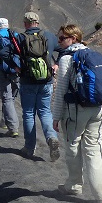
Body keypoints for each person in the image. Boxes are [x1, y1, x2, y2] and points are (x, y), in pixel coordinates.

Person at [51, 23, 102, 203]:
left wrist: (56, 116)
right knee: (95, 148)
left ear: (73, 38)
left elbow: (61, 89)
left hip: (75, 111)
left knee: (73, 146)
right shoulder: (92, 55)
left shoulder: (66, 59)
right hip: (99, 109)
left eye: (62, 38)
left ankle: (74, 185)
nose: (59, 41)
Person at [18, 12, 61, 160]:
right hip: (46, 81)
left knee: (29, 113)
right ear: (37, 22)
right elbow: (63, 49)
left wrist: (17, 68)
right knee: (45, 112)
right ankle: (51, 138)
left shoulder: (20, 38)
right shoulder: (49, 36)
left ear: (25, 23)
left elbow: (7, 54)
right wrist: (56, 64)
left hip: (27, 81)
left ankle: (29, 148)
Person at [0, 17, 20, 137]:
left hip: (1, 69)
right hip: (16, 69)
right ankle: (5, 121)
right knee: (12, 97)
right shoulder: (15, 35)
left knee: (6, 97)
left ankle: (13, 127)